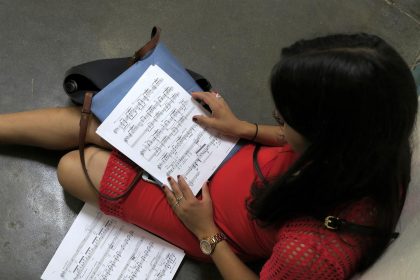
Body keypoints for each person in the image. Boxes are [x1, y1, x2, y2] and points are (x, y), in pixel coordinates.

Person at [0, 33, 417, 280]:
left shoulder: (314, 253)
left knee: (74, 168)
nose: (275, 118)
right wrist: (245, 130)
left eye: (287, 118)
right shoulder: (378, 136)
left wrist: (207, 233)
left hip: (217, 224)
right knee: (102, 125)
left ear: (326, 138)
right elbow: (291, 141)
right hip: (237, 162)